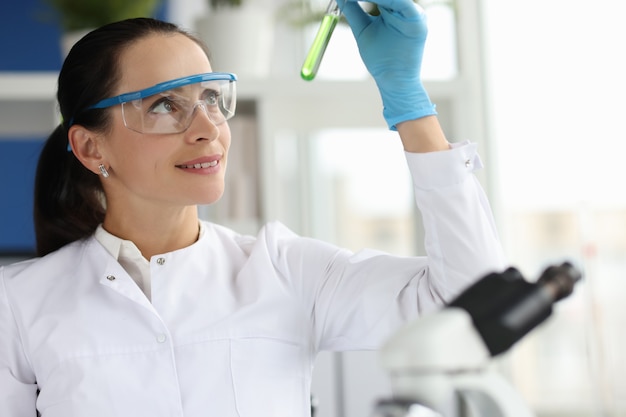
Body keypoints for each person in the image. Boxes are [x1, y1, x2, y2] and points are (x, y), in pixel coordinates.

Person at [0, 0, 506, 416]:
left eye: (212, 98)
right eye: (163, 105)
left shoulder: (285, 270)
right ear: (91, 148)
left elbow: (475, 306)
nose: (208, 128)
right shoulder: (19, 304)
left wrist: (409, 102)